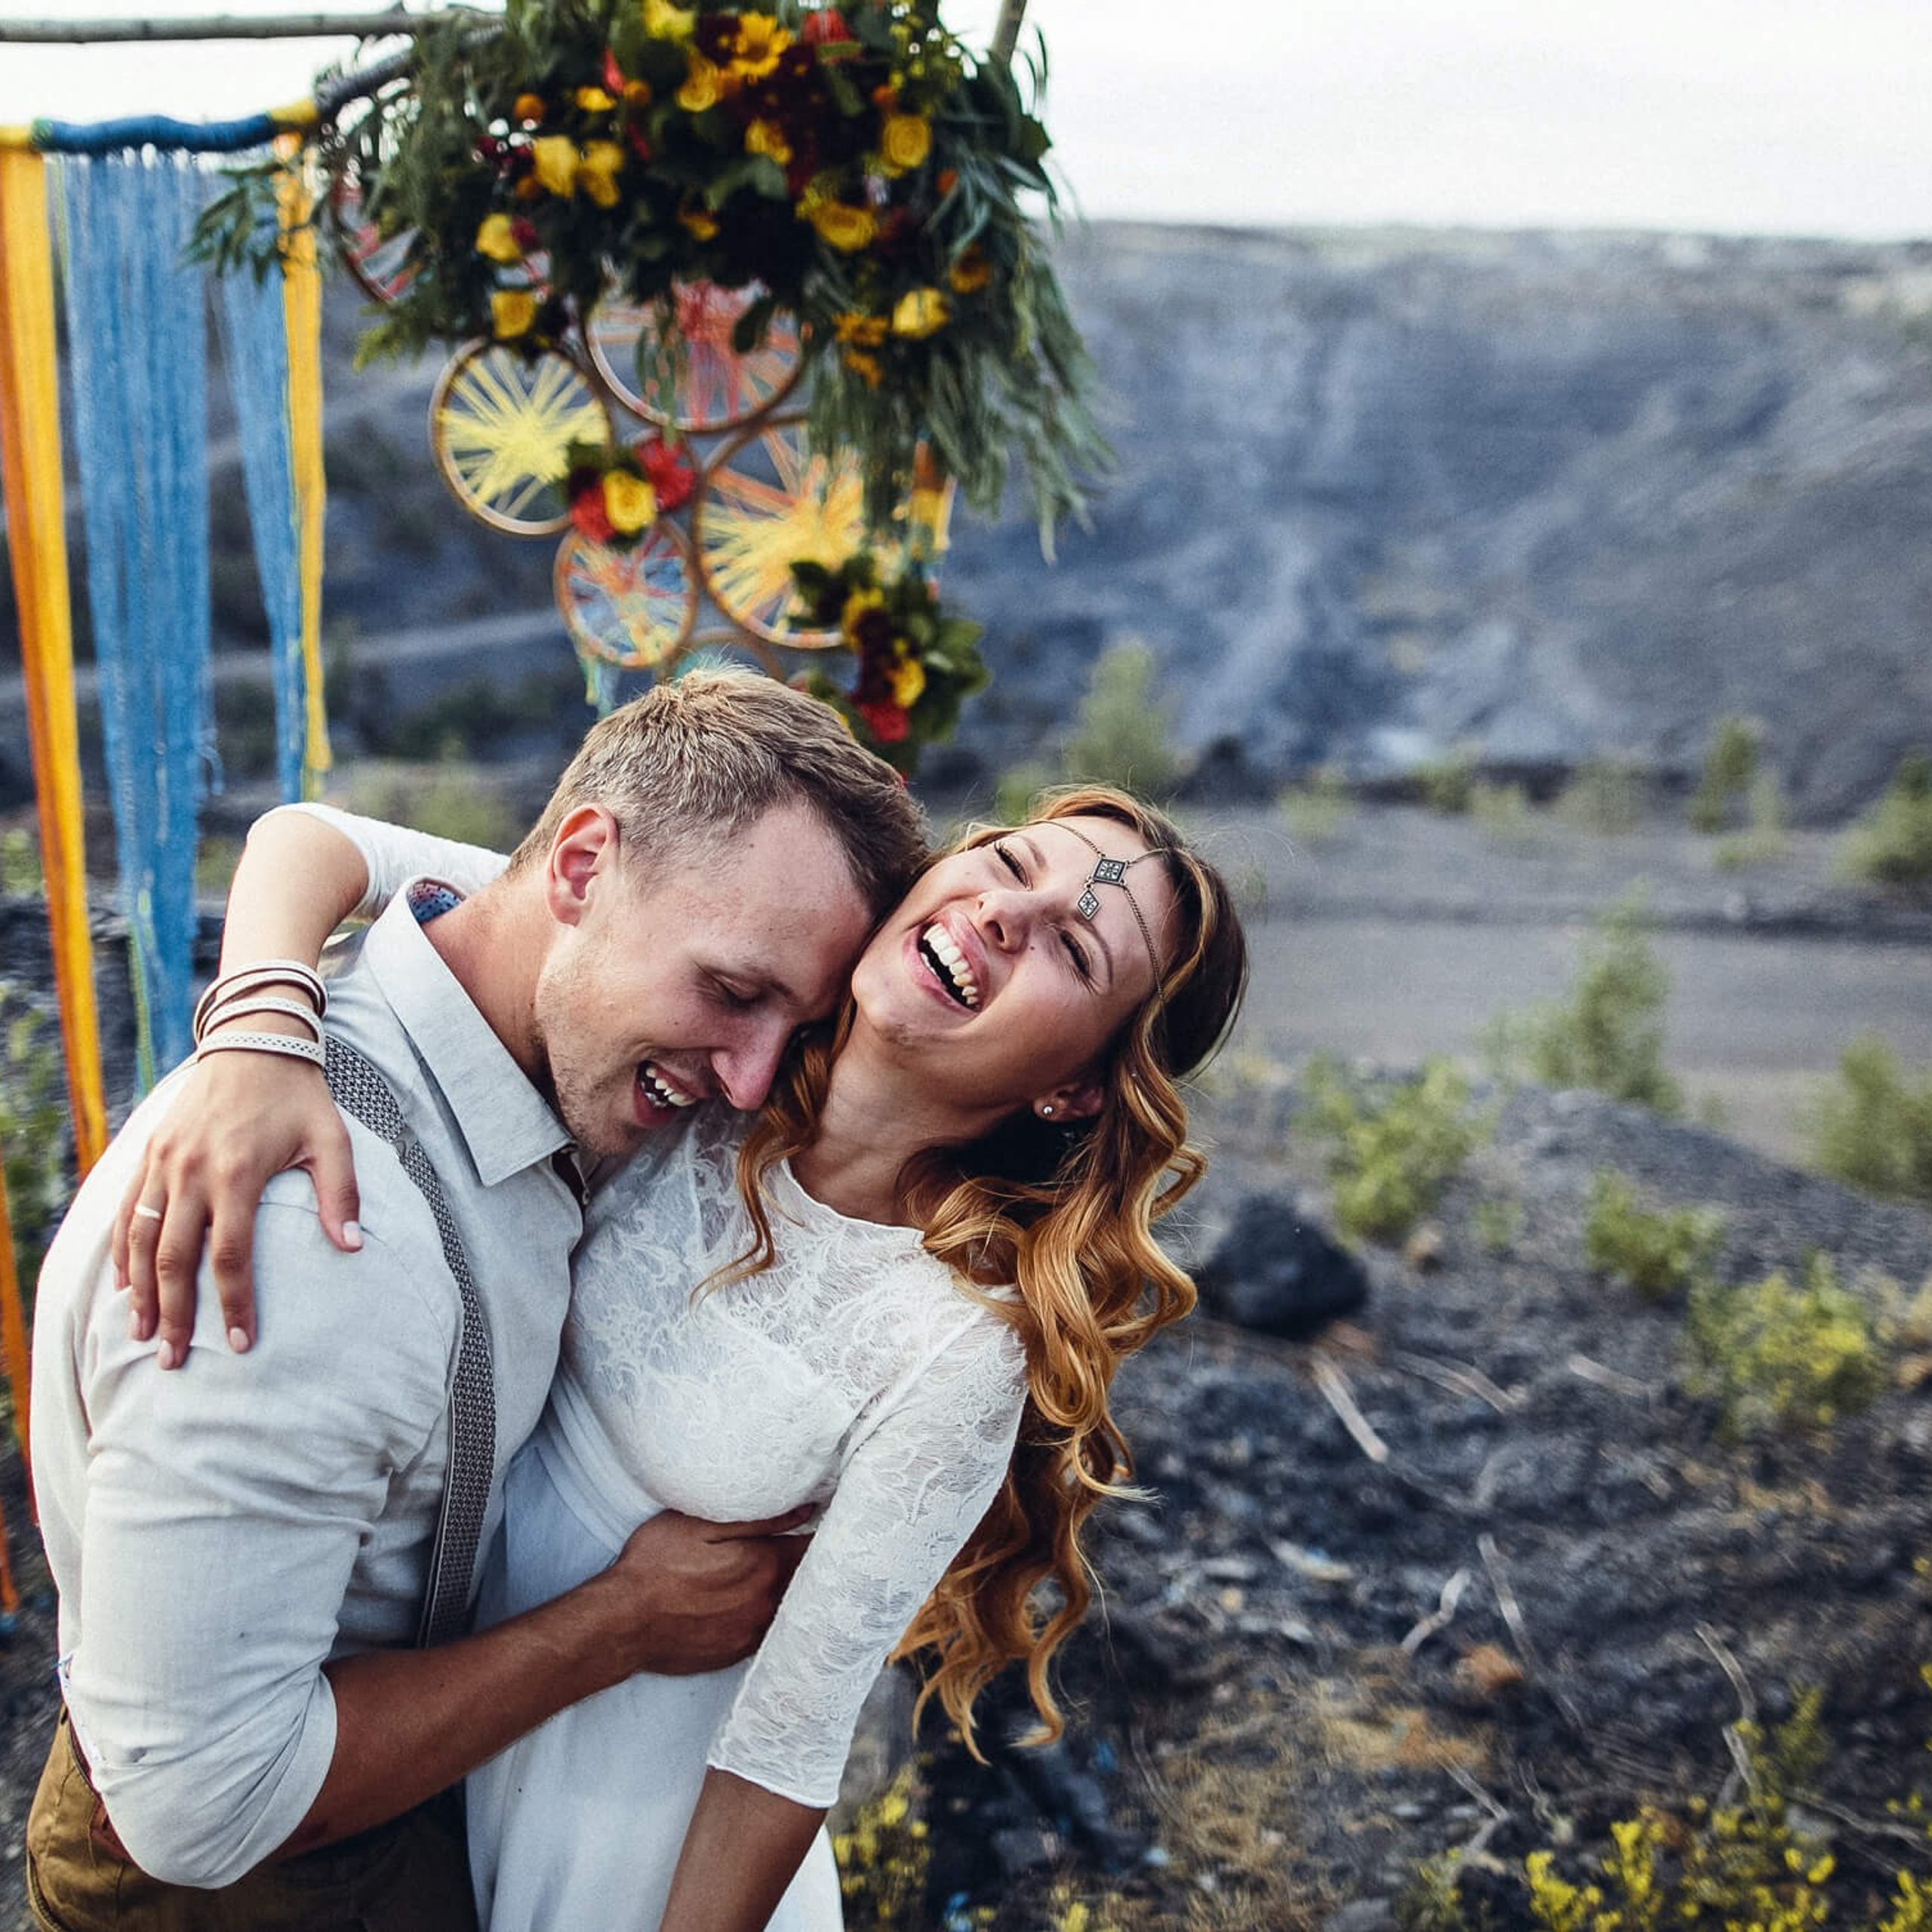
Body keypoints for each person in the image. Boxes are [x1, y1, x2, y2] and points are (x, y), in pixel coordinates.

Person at [104, 780, 1247, 1930]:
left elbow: (785, 1751)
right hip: (442, 1725)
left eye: (1076, 948)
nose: (1009, 915)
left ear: (1076, 1087)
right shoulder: (725, 1027)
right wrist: (259, 1028)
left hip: (619, 1832)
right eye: (1012, 867)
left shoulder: (954, 1344)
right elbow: (321, 841)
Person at [26, 672, 931, 1930]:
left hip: (403, 1783)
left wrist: (259, 1001)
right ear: (578, 868)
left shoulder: (512, 943)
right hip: (263, 1880)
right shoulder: (317, 1239)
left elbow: (325, 839)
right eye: (732, 993)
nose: (750, 1079)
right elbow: (196, 1807)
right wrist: (621, 1625)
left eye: (797, 1021)